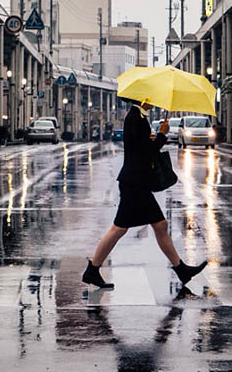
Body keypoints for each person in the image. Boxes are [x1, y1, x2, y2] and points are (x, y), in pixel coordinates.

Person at [83, 99, 207, 290]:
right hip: (134, 183)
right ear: (143, 100)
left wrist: (152, 137)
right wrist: (161, 135)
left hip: (135, 182)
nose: (155, 101)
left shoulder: (138, 117)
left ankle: (180, 268)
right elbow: (146, 151)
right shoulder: (135, 118)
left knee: (153, 225)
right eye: (151, 99)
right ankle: (92, 269)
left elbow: (139, 146)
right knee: (124, 228)